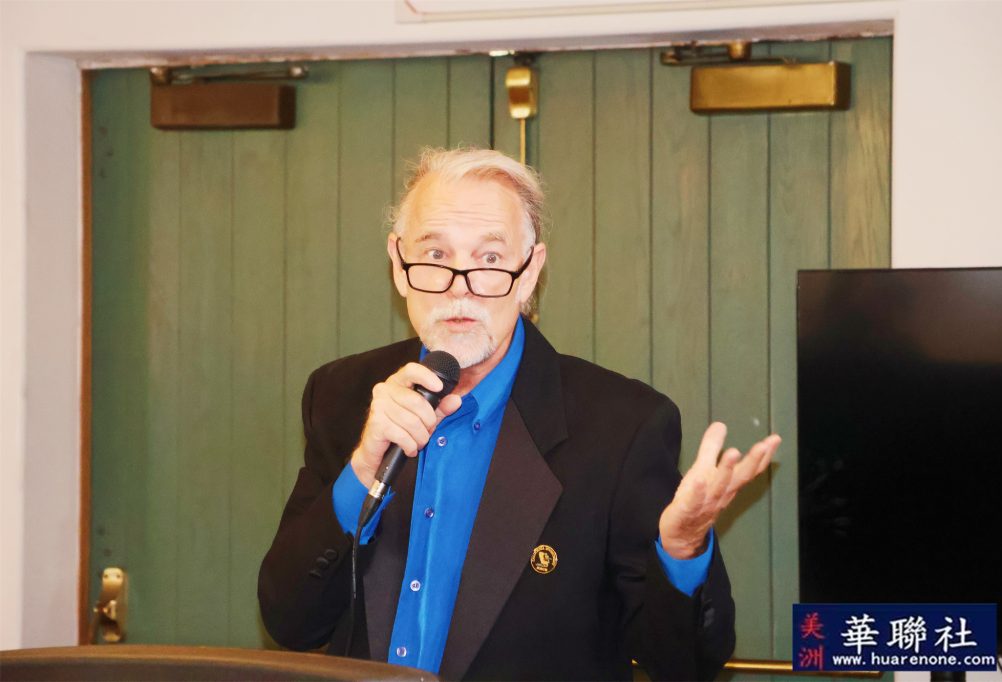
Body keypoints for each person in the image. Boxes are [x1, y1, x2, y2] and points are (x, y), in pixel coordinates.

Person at [258, 148, 781, 681]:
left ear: (530, 272)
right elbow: (290, 622)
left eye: (490, 259)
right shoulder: (344, 395)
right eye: (435, 254)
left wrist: (681, 548)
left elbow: (683, 665)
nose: (460, 286)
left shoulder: (621, 427)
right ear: (399, 265)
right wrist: (361, 470)